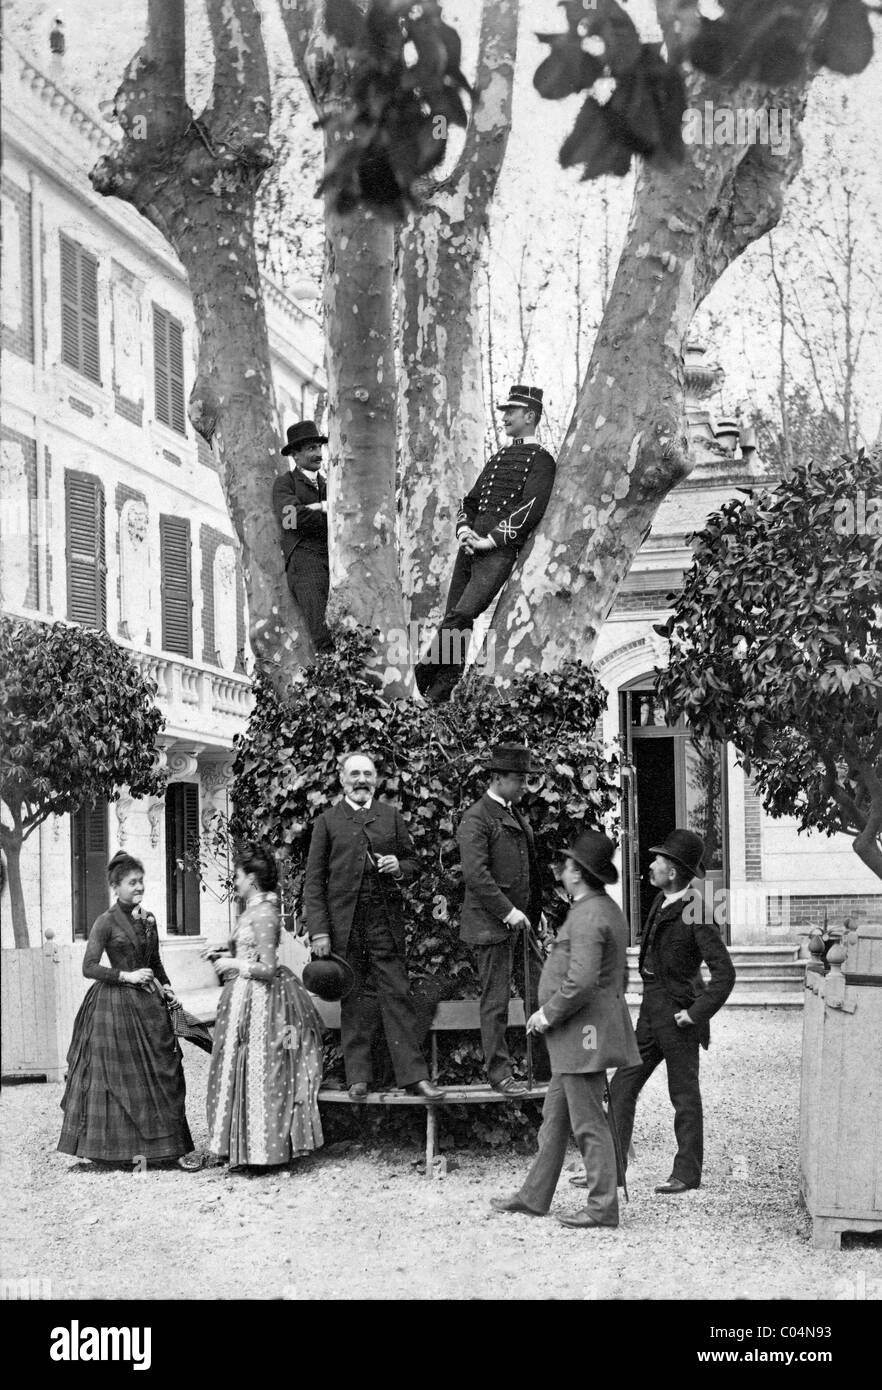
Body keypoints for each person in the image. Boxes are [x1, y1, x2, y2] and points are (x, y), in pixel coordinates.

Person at [491, 831, 640, 1227]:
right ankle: (535, 1195)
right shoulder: (599, 907)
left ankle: (602, 1207)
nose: (562, 869)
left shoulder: (590, 913)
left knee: (588, 1123)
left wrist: (547, 1014)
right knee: (554, 1120)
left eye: (568, 864)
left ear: (578, 872)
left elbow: (582, 980)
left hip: (579, 1033)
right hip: (578, 1035)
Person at [304, 751, 445, 1100]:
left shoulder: (390, 818)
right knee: (354, 999)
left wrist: (399, 866)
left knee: (397, 995)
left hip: (384, 922)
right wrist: (320, 931)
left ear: (376, 780)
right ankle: (358, 1078)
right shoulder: (327, 822)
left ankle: (413, 1076)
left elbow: (415, 866)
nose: (361, 780)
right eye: (354, 774)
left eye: (368, 773)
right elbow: (313, 883)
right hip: (344, 926)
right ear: (342, 779)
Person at [608, 829, 736, 1194]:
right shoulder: (660, 901)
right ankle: (610, 1167)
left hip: (679, 1017)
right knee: (622, 1085)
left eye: (658, 860)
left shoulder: (696, 910)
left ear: (674, 871)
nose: (650, 865)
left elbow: (725, 974)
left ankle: (686, 1173)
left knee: (683, 1095)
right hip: (650, 1011)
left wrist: (696, 1014)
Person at [415, 384, 556, 703]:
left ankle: (419, 676)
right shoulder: (498, 457)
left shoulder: (542, 460)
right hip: (469, 547)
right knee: (454, 617)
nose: (505, 417)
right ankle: (444, 684)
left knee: (462, 615)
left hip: (497, 551)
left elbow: (530, 508)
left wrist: (489, 540)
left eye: (511, 412)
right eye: (505, 412)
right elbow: (471, 500)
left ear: (530, 416)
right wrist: (464, 530)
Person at [58, 852, 194, 1165]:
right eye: (132, 882)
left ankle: (166, 1149)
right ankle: (113, 1152)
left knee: (163, 1069)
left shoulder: (149, 919)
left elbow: (156, 963)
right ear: (115, 886)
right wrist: (126, 975)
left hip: (148, 1004)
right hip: (114, 1007)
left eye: (141, 881)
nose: (139, 887)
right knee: (119, 1078)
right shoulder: (105, 922)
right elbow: (89, 966)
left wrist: (168, 987)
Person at [197, 846, 324, 1171]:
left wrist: (232, 962)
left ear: (252, 879)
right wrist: (222, 951)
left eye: (238, 877)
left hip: (263, 1004)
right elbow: (248, 948)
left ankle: (262, 1152)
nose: (234, 883)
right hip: (243, 1000)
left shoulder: (266, 912)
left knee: (261, 1072)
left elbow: (267, 968)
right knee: (237, 1069)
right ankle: (239, 1148)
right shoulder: (252, 909)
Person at [457, 743, 549, 1095]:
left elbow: (529, 874)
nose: (525, 786)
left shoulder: (512, 814)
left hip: (520, 927)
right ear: (497, 779)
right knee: (494, 1003)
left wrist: (533, 916)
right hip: (491, 927)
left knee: (539, 995)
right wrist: (509, 912)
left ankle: (544, 1069)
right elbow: (476, 876)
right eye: (520, 779)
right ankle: (499, 1074)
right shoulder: (477, 817)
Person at [272, 420, 331, 651]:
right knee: (322, 633)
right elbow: (291, 519)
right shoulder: (285, 484)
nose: (318, 454)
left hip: (331, 561)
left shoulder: (330, 484)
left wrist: (315, 509)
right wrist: (326, 509)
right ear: (295, 455)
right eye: (310, 449)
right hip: (305, 563)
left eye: (319, 447)